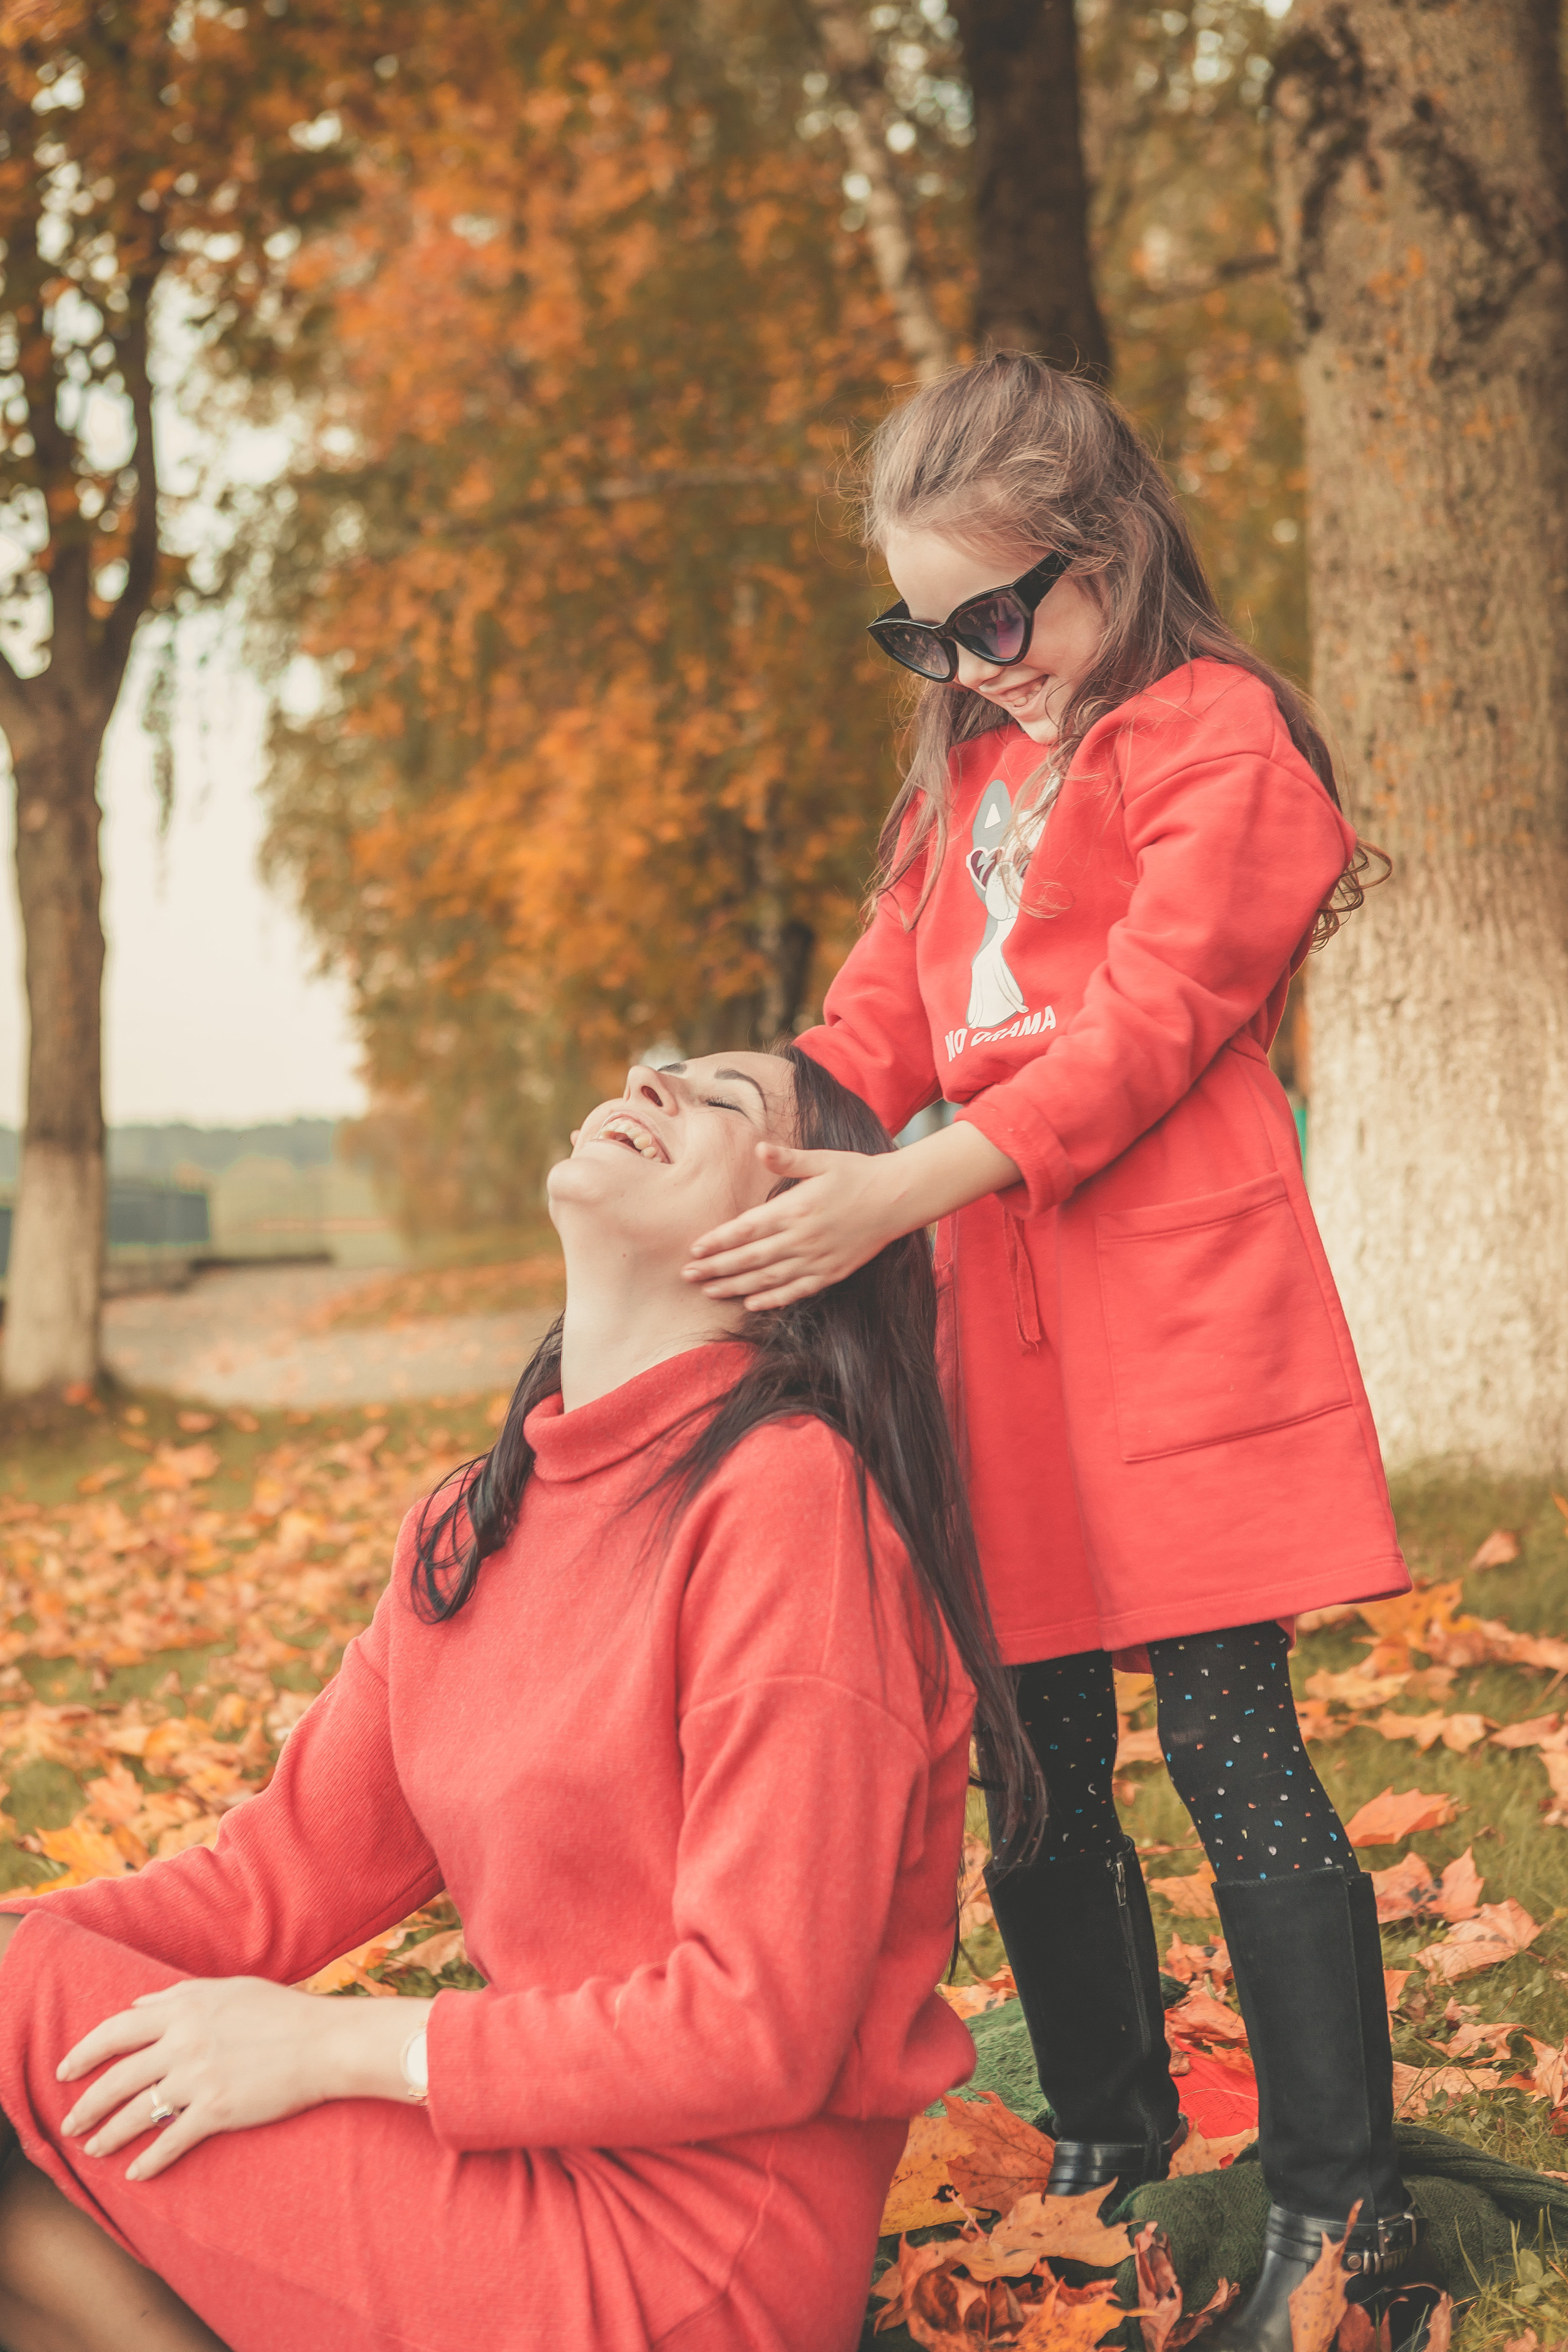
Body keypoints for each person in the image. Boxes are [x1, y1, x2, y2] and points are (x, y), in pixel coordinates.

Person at [684, 356, 1438, 2351]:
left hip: (1183, 1328)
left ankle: (1346, 2217)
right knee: (1039, 1770)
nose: (967, 662)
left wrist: (904, 1184)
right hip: (994, 1350)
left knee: (1232, 1749)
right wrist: (742, 1111)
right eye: (918, 631)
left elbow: (1153, 1020)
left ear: (1111, 558)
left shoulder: (1223, 740)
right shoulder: (963, 772)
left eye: (998, 616)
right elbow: (872, 1029)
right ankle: (1106, 2153)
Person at [0, 1045, 1034, 2352]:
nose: (653, 1080)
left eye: (720, 1102)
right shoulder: (471, 1523)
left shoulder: (788, 1505)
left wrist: (332, 2050)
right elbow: (265, 1882)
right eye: (658, 1069)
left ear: (801, 1237)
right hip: (512, 2164)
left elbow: (757, 2024)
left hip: (687, 2262)